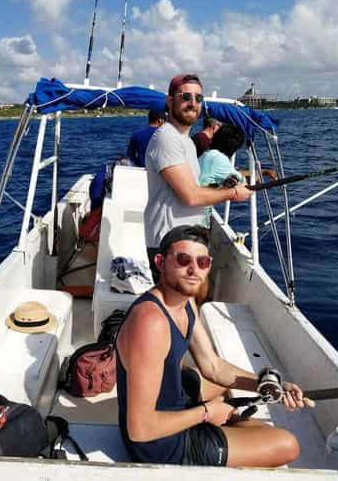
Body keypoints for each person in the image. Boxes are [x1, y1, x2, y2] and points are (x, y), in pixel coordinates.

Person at [116, 224, 315, 467]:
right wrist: (207, 413)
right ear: (160, 262)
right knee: (288, 444)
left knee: (211, 383)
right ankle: (223, 426)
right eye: (183, 259)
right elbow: (140, 430)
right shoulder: (150, 323)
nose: (193, 270)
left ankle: (226, 423)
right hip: (161, 446)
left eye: (203, 262)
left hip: (175, 405)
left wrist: (270, 385)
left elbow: (214, 366)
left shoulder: (185, 302)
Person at [144, 73, 253, 273]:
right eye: (185, 97)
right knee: (174, 304)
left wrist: (221, 188)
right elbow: (191, 196)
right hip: (170, 243)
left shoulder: (186, 141)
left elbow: (194, 187)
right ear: (169, 101)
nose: (192, 103)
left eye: (198, 98)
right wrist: (233, 193)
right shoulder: (167, 138)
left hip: (186, 241)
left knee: (185, 303)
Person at [199, 123, 277, 226]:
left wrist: (263, 171)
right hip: (196, 220)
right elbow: (243, 183)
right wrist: (263, 173)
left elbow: (234, 173)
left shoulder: (207, 155)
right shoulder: (219, 159)